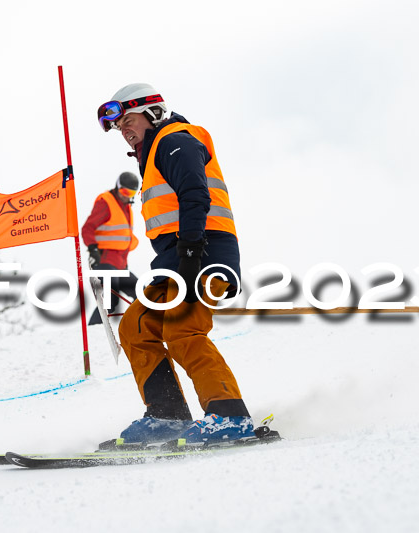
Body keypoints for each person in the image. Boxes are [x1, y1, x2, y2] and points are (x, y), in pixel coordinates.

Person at [97, 83, 253, 444]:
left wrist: (191, 251)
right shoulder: (152, 154)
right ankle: (166, 416)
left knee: (182, 329)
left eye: (128, 121)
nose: (124, 131)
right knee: (136, 327)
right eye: (119, 127)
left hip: (203, 254)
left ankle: (230, 416)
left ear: (152, 113)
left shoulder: (175, 139)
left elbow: (196, 194)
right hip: (175, 259)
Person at [81, 172, 140, 325]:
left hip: (119, 265)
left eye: (132, 193)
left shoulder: (126, 208)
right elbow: (88, 228)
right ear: (118, 187)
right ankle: (94, 330)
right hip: (103, 260)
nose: (127, 196)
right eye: (125, 192)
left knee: (142, 292)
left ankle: (138, 327)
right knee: (110, 298)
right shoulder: (106, 202)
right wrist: (93, 249)